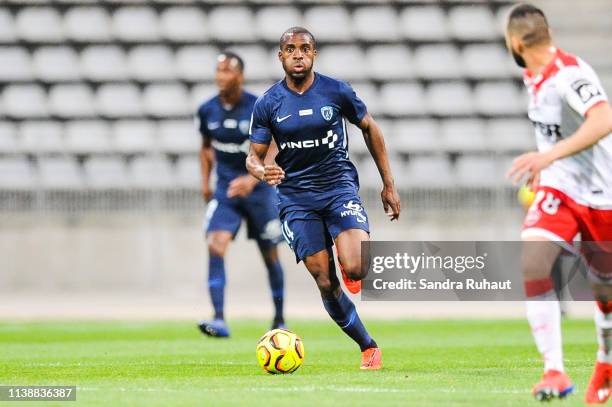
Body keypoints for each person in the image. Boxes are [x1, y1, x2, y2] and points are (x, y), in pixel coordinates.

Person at [246, 27, 400, 370]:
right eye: (290, 48)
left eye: (304, 48)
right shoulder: (268, 103)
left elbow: (370, 127)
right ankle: (367, 346)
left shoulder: (336, 91)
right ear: (280, 56)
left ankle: (351, 265)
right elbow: (252, 157)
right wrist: (260, 171)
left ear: (314, 54)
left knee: (357, 264)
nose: (298, 54)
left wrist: (388, 184)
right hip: (295, 198)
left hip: (337, 187)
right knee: (325, 280)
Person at [505, 4, 612, 402]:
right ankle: (555, 371)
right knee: (533, 259)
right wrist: (545, 163)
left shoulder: (569, 74)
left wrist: (547, 156)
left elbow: (603, 119)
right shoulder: (533, 77)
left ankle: (606, 362)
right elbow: (555, 132)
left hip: (602, 195)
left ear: (515, 41)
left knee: (605, 290)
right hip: (559, 190)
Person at [195, 51, 286, 338]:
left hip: (258, 191)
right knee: (215, 244)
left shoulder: (257, 107)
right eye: (218, 71)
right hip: (226, 191)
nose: (221, 77)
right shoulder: (207, 109)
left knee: (269, 253)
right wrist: (206, 183)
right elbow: (206, 147)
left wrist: (252, 177)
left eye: (227, 71)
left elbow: (273, 146)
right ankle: (219, 318)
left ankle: (279, 318)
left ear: (240, 76)